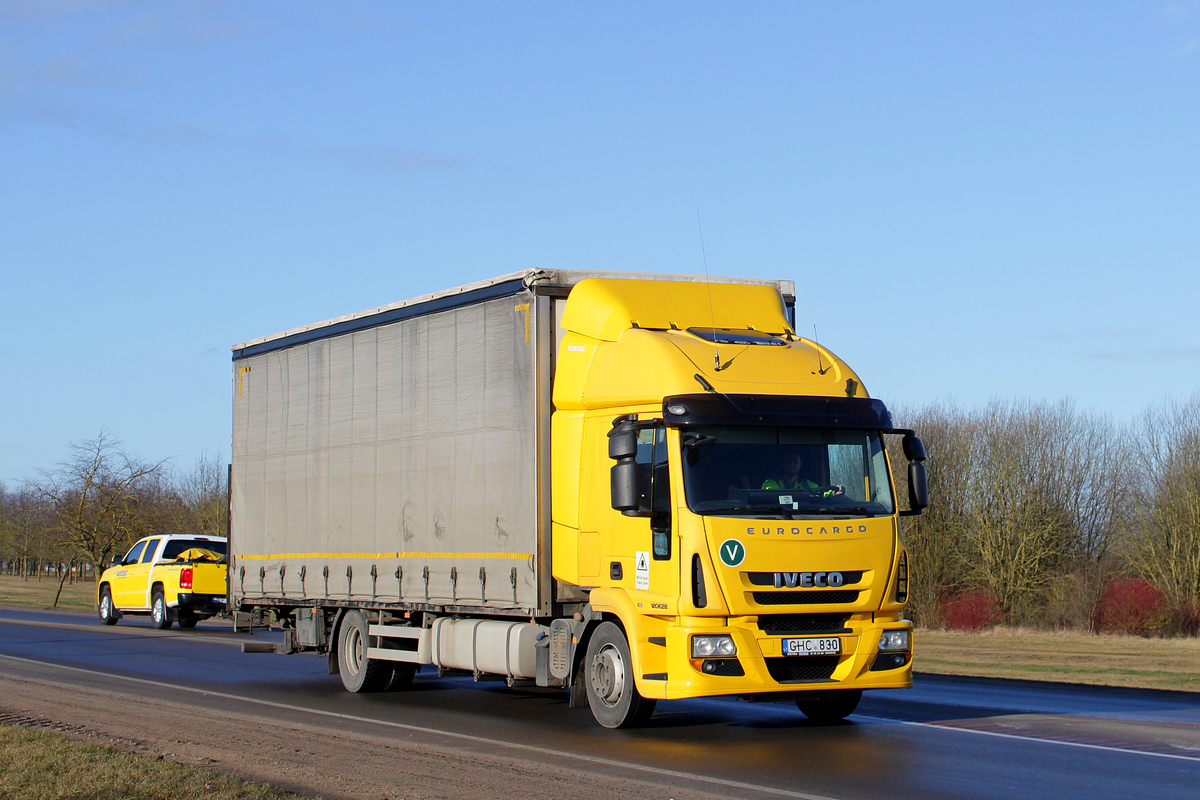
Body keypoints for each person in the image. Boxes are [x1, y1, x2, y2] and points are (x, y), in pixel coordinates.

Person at [762, 451, 844, 496]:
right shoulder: (770, 484)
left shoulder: (808, 485)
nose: (791, 464)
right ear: (782, 464)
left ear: (800, 464)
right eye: (788, 461)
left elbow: (821, 494)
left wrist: (833, 493)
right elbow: (770, 497)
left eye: (795, 461)